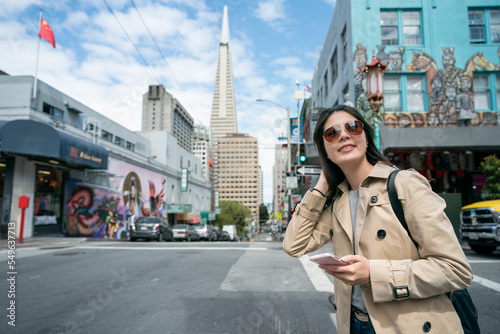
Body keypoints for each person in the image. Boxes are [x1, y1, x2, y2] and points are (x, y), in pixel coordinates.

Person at [283, 105, 473, 334]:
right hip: (353, 324)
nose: (344, 134)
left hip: (409, 326)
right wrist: (321, 185)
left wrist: (373, 274)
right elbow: (294, 245)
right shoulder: (336, 201)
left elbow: (455, 269)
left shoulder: (405, 184)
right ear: (325, 149)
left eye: (353, 127)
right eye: (332, 133)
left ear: (365, 137)